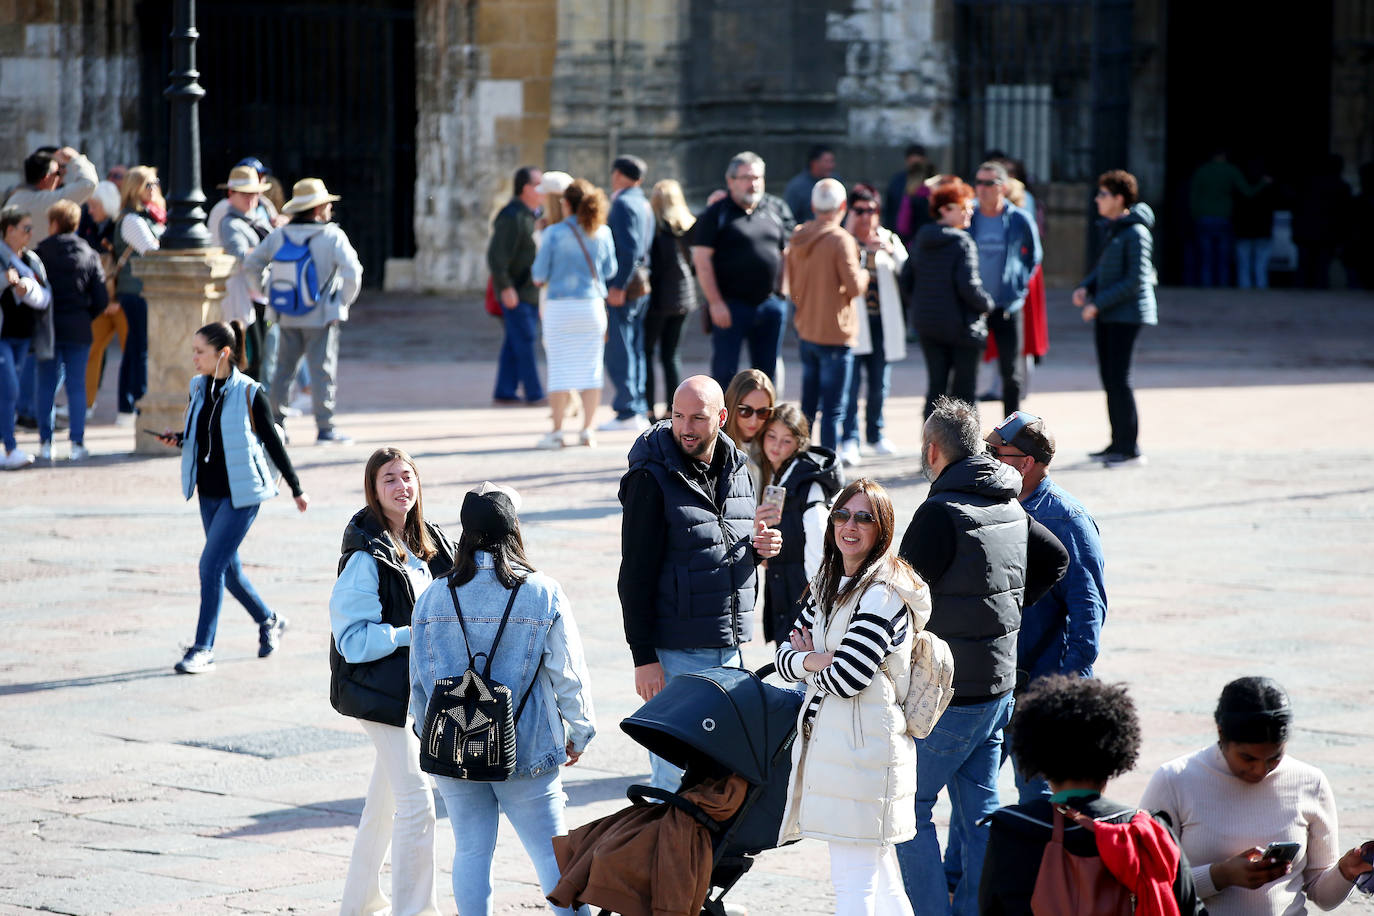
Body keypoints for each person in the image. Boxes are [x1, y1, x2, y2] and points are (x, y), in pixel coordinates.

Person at [895, 396, 1068, 916]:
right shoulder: (1009, 502)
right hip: (997, 690)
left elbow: (900, 599)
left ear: (933, 451)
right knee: (979, 812)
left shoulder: (938, 513)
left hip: (952, 697)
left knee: (908, 810)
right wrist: (1005, 611)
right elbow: (1055, 559)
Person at [409, 482, 596, 916]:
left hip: (454, 746)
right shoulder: (541, 591)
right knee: (553, 857)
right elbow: (568, 674)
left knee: (471, 852)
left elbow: (419, 682)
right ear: (514, 528)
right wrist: (580, 731)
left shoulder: (434, 595)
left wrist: (428, 732)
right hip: (526, 745)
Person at [617, 375, 782, 791]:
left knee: (721, 778)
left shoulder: (739, 469)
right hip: (677, 655)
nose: (685, 428)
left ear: (721, 417)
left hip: (730, 651)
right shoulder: (650, 478)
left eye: (697, 418)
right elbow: (634, 574)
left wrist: (758, 550)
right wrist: (643, 657)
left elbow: (716, 550)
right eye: (678, 416)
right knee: (673, 781)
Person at [776, 477, 930, 916]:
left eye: (864, 518)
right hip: (843, 750)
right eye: (842, 515)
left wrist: (812, 661)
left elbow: (848, 678)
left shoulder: (882, 593)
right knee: (879, 879)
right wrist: (816, 659)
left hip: (865, 756)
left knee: (854, 884)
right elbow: (782, 656)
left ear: (882, 529)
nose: (850, 526)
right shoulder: (829, 582)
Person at [330, 448, 453, 916]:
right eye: (389, 479)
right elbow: (351, 641)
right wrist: (409, 633)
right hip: (382, 695)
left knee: (383, 806)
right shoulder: (366, 555)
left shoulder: (432, 541)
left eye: (407, 477)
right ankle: (416, 911)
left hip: (418, 694)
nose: (401, 486)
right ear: (374, 490)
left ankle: (359, 904)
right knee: (417, 803)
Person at [1140, 676, 1374, 915]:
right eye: (1247, 758)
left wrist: (1347, 870)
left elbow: (1323, 896)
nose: (1260, 770)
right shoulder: (1174, 780)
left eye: (1274, 758)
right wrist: (1219, 875)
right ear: (1220, 732)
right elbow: (1142, 883)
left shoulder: (1310, 782)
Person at [154, 321, 307, 675]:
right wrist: (178, 438)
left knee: (210, 566)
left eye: (200, 352)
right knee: (229, 571)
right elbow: (201, 433)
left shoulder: (250, 392)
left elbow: (273, 442)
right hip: (207, 493)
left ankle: (203, 649)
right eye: (193, 351)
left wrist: (297, 488)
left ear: (223, 353)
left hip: (243, 495)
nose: (194, 358)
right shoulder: (198, 386)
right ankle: (269, 619)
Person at [980, 676, 1206, 916]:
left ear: (1039, 760)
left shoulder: (1012, 830)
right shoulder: (1147, 831)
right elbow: (1188, 907)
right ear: (1117, 755)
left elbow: (991, 908)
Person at [984, 413, 1106, 786]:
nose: (989, 460)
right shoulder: (993, 504)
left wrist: (1064, 690)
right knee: (975, 793)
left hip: (1042, 688)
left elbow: (1088, 611)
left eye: (996, 454)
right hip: (993, 683)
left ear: (1026, 464)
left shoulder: (1066, 519)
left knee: (1036, 796)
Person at [244, 177, 364, 445]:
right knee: (322, 371)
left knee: (282, 371)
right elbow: (353, 273)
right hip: (321, 316)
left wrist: (267, 292)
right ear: (319, 208)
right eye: (327, 205)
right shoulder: (332, 236)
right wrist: (340, 303)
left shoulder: (279, 235)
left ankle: (276, 425)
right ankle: (325, 428)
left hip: (286, 314)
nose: (330, 209)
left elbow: (252, 265)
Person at [1072, 169, 1157, 466]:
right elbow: (1104, 268)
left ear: (1119, 198)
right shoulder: (1115, 228)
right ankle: (1116, 443)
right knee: (1110, 378)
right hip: (1109, 313)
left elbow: (1135, 280)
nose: (1097, 199)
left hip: (1126, 314)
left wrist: (1098, 304)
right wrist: (1087, 287)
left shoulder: (1136, 232)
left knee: (1120, 379)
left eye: (1103, 194)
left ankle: (1130, 448)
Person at [530, 178, 616, 449]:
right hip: (591, 305)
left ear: (566, 203)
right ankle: (587, 430)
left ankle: (557, 432)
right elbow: (610, 269)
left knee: (559, 369)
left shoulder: (553, 233)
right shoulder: (602, 232)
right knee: (592, 369)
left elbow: (539, 274)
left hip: (560, 306)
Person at [692, 152, 790, 388]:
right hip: (730, 306)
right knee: (725, 374)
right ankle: (725, 414)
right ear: (731, 181)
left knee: (766, 378)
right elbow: (702, 260)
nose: (753, 183)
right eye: (746, 177)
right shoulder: (716, 214)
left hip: (770, 305)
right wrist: (715, 303)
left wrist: (783, 293)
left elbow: (787, 252)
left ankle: (765, 415)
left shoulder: (776, 208)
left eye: (757, 177)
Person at [903, 178, 994, 418]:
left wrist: (922, 305)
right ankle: (965, 441)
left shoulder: (921, 239)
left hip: (928, 324)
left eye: (970, 207)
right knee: (965, 395)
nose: (969, 212)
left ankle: (931, 440)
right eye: (964, 207)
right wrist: (987, 305)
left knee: (936, 389)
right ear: (944, 210)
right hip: (962, 327)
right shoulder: (962, 242)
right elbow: (968, 286)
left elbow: (906, 279)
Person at [787, 178, 866, 453]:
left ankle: (803, 462)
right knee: (833, 411)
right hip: (835, 333)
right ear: (843, 206)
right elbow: (855, 287)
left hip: (807, 329)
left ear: (813, 206)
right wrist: (865, 272)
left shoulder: (799, 235)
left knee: (808, 409)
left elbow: (791, 285)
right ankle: (830, 466)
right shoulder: (840, 239)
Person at [757, 403, 842, 644]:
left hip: (802, 594)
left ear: (799, 443)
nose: (776, 446)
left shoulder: (808, 483)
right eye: (771, 436)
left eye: (786, 440)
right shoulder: (774, 475)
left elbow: (818, 539)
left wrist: (818, 600)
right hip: (782, 586)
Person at [841, 184, 908, 466]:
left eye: (871, 210)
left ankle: (876, 433)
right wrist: (850, 237)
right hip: (853, 323)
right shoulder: (842, 240)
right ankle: (849, 438)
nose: (866, 216)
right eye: (860, 210)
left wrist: (890, 251)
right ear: (849, 212)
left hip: (882, 322)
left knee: (879, 382)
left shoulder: (888, 238)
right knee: (850, 384)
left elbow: (908, 270)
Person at [968, 161, 1041, 418]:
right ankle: (969, 433)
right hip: (974, 305)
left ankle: (1011, 431)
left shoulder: (1019, 218)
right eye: (978, 182)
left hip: (1007, 305)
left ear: (1003, 187)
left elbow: (1034, 256)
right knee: (968, 373)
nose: (982, 188)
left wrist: (1019, 284)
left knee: (1011, 373)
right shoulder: (969, 216)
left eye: (989, 183)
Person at [34, 200, 105, 461]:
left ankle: (46, 442)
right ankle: (77, 442)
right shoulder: (89, 253)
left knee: (46, 384)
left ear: (54, 223)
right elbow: (101, 298)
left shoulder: (41, 252)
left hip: (48, 326)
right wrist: (86, 315)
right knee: (76, 386)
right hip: (78, 326)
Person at [599, 155, 654, 432]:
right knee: (634, 347)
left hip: (627, 285)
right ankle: (637, 405)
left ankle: (627, 409)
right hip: (642, 281)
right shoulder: (643, 202)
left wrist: (618, 285)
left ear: (618, 174)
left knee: (620, 347)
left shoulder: (622, 203)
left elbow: (630, 249)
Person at [486, 165, 546, 407]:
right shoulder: (511, 216)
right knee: (525, 340)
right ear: (525, 188)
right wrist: (505, 287)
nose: (542, 190)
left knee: (514, 342)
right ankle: (534, 393)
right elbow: (496, 256)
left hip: (531, 291)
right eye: (538, 185)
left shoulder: (534, 215)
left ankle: (504, 390)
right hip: (516, 291)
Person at [110, 166, 163, 425]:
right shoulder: (131, 219)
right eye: (148, 184)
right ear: (135, 188)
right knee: (139, 348)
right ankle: (138, 403)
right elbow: (153, 252)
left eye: (155, 183)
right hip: (135, 291)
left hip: (140, 290)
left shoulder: (148, 216)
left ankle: (128, 406)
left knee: (134, 348)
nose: (153, 189)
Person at [0, 205, 52, 469]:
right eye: (26, 228)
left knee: (10, 391)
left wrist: (27, 288)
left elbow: (45, 295)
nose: (30, 234)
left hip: (24, 336)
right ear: (9, 230)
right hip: (3, 336)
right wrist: (4, 280)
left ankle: (8, 446)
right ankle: (10, 448)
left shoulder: (31, 260)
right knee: (9, 389)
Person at [644, 179, 697, 421]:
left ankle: (648, 407)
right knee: (671, 354)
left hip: (659, 299)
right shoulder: (689, 227)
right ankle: (671, 408)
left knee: (646, 352)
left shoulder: (656, 230)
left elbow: (655, 267)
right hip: (684, 298)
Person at [216, 166, 275, 382]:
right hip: (244, 300)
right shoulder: (230, 222)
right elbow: (240, 254)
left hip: (263, 296)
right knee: (250, 359)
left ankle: (254, 401)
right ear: (231, 193)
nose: (251, 199)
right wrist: (268, 253)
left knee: (262, 358)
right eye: (245, 194)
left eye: (255, 193)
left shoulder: (258, 219)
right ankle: (245, 402)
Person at [1187, 149, 1266, 288]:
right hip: (1223, 217)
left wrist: (1195, 216)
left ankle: (1206, 287)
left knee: (1206, 257)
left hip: (1204, 218)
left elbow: (1193, 197)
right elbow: (1248, 192)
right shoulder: (1230, 170)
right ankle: (1222, 288)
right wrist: (1263, 183)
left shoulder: (1202, 171)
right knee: (1223, 257)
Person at [3, 147, 98, 246]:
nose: (62, 175)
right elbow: (89, 184)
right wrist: (75, 157)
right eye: (57, 173)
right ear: (46, 178)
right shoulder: (46, 200)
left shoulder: (13, 200)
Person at [722, 368, 776, 494]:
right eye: (745, 411)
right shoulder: (717, 449)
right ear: (731, 406)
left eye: (763, 412)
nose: (753, 421)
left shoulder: (773, 444)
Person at [783, 144, 839, 224]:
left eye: (832, 161)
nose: (831, 166)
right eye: (827, 161)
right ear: (814, 163)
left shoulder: (836, 182)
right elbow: (788, 219)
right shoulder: (796, 187)